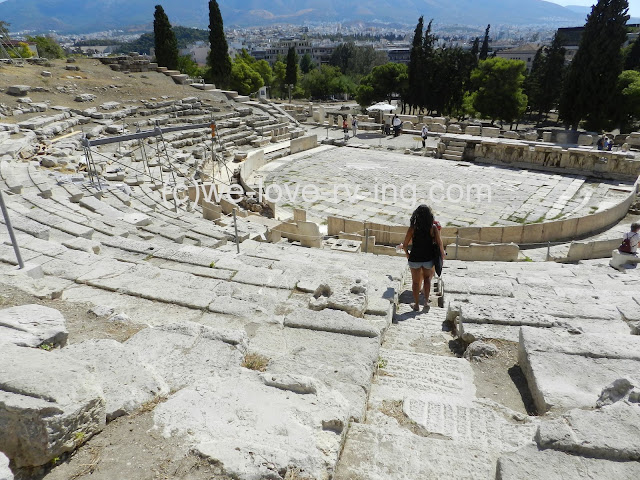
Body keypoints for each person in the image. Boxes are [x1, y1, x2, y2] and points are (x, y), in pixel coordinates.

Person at [403, 205, 446, 311]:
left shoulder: (413, 228)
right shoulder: (433, 228)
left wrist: (407, 254)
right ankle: (426, 302)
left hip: (415, 258)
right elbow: (439, 243)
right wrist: (442, 256)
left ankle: (416, 304)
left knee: (416, 282)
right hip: (428, 258)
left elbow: (405, 245)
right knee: (427, 280)